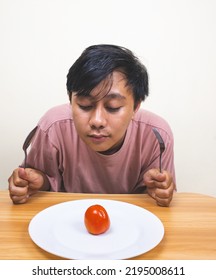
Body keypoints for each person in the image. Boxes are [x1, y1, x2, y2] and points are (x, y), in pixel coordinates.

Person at [8, 44, 176, 206]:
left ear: (136, 107)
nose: (97, 121)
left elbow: (159, 199)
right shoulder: (53, 127)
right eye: (85, 105)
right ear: (70, 100)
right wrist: (33, 183)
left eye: (113, 107)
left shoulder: (157, 135)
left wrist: (160, 191)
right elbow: (43, 184)